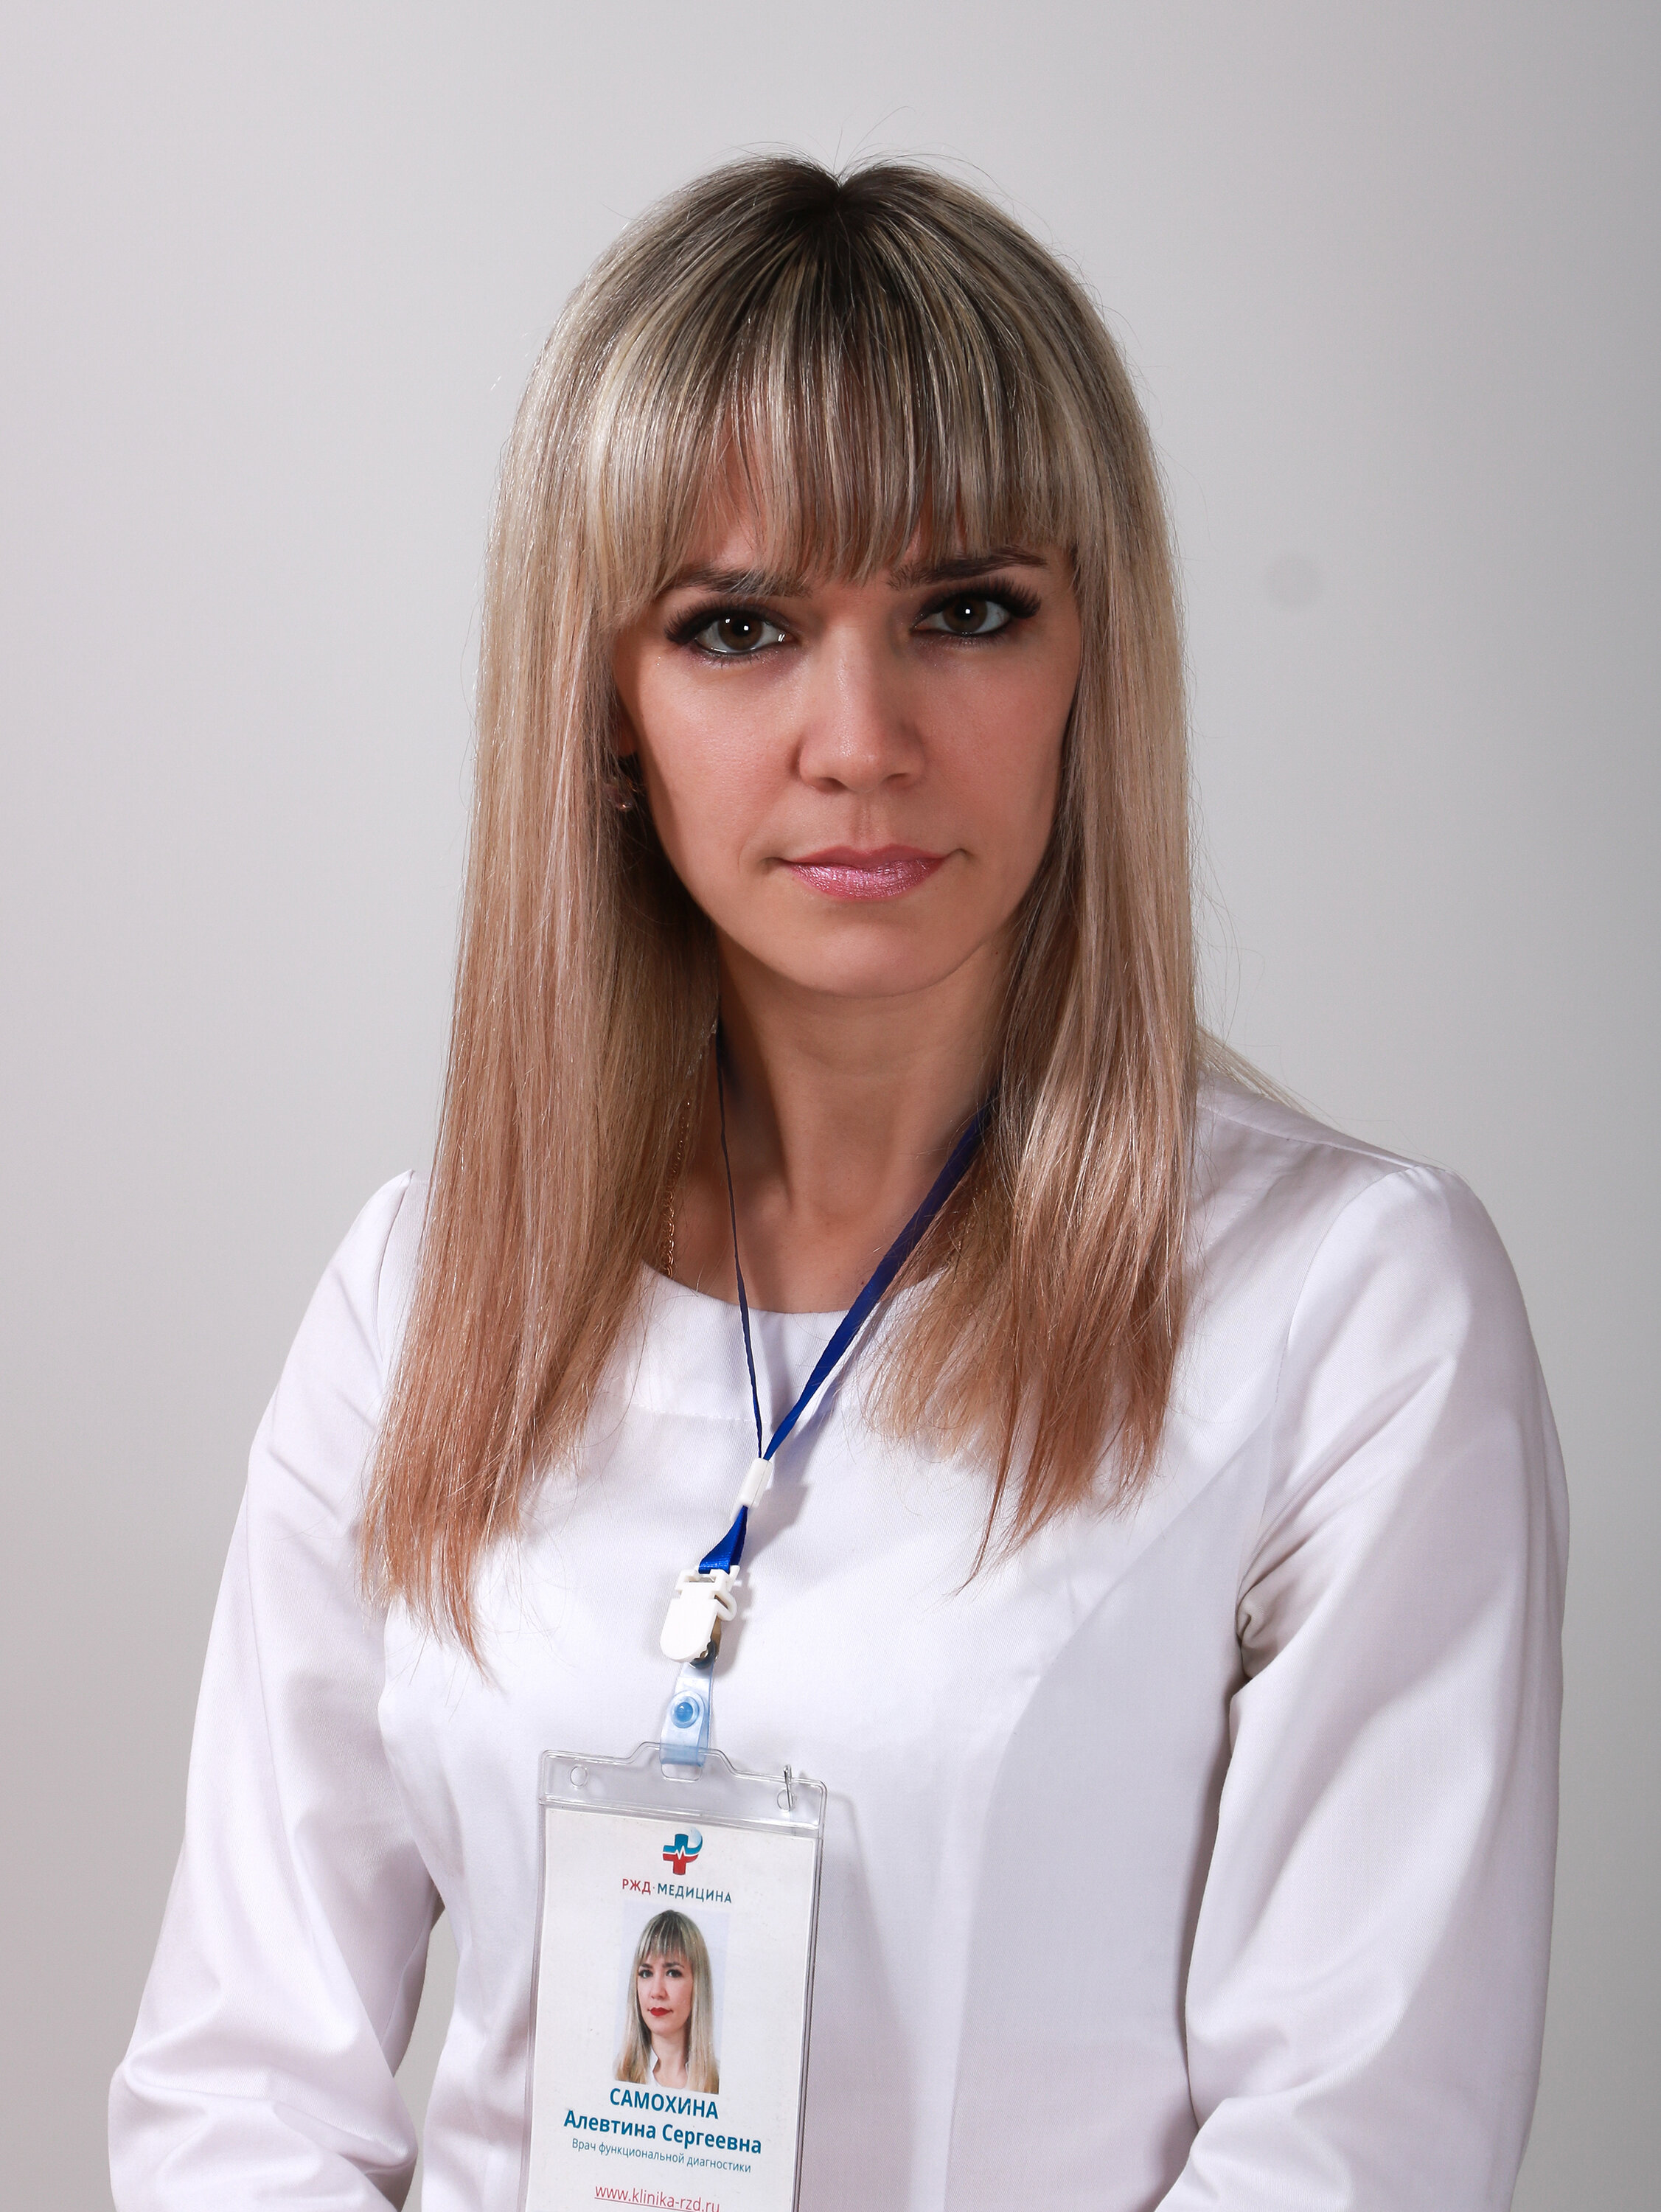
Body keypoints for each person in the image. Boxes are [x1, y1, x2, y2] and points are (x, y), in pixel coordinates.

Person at [108, 156, 1567, 2211]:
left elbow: (1352, 2150)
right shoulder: (419, 1294)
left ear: (1091, 663)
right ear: (606, 715)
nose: (858, 737)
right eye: (738, 629)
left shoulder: (1344, 1307)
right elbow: (241, 2093)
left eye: (964, 611)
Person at [615, 1910, 720, 2094]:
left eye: (673, 1973)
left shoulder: (720, 2083)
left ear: (698, 1985)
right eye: (646, 1973)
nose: (657, 1992)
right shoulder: (615, 2075)